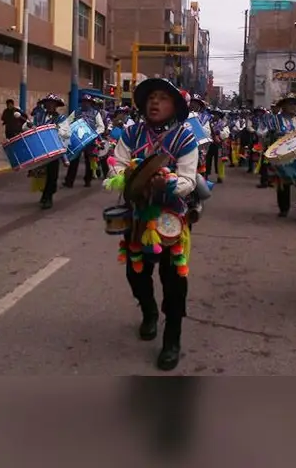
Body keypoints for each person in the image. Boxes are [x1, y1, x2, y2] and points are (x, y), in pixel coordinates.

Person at [104, 78, 198, 371]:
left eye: (163, 98)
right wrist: (128, 176)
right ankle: (148, 312)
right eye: (151, 98)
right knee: (136, 273)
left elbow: (188, 180)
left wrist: (168, 183)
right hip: (138, 216)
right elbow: (115, 164)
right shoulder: (131, 133)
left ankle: (172, 339)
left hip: (171, 218)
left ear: (175, 107)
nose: (155, 103)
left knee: (173, 282)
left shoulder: (185, 138)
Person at [26, 94, 67, 209]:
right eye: (48, 103)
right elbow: (27, 127)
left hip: (53, 149)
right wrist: (29, 126)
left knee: (52, 174)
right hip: (40, 149)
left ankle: (48, 197)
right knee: (41, 175)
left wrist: (57, 130)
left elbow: (66, 133)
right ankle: (45, 194)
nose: (49, 105)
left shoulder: (61, 119)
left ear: (55, 106)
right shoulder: (38, 116)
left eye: (52, 103)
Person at [273, 94, 296, 218]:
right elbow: (267, 134)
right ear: (283, 106)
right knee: (284, 183)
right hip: (283, 155)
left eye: (295, 104)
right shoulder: (276, 119)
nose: (293, 107)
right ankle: (284, 209)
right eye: (290, 104)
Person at [63, 95, 106, 188]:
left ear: (91, 103)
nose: (85, 103)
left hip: (90, 140)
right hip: (77, 139)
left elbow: (101, 127)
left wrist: (94, 133)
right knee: (74, 160)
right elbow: (67, 122)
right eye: (83, 101)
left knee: (89, 161)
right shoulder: (76, 112)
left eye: (87, 102)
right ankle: (69, 181)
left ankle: (88, 180)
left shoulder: (95, 113)